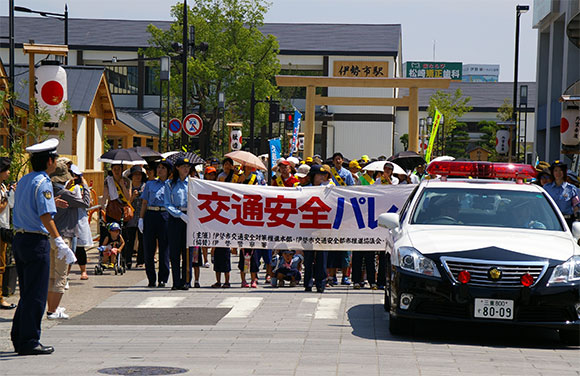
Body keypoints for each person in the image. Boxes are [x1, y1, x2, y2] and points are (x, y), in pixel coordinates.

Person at [11, 138, 75, 356]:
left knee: (27, 292)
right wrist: (58, 240)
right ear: (49, 161)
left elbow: (28, 206)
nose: (55, 161)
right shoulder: (45, 181)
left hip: (20, 239)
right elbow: (45, 216)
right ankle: (30, 340)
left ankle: (19, 337)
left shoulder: (25, 179)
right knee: (37, 293)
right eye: (55, 158)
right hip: (36, 241)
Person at [47, 159, 89, 320]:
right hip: (64, 237)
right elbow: (86, 202)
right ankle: (53, 310)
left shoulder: (49, 191)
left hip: (52, 235)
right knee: (61, 276)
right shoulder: (64, 193)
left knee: (51, 276)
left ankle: (52, 308)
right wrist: (84, 183)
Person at [139, 158, 172, 288]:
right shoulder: (150, 184)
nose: (160, 170)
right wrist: (141, 219)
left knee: (164, 248)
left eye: (163, 168)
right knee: (149, 248)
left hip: (165, 215)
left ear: (168, 171)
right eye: (159, 167)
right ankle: (151, 278)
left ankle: (163, 278)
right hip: (151, 215)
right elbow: (144, 202)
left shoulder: (171, 185)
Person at [165, 157, 194, 290]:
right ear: (177, 168)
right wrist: (179, 214)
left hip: (189, 218)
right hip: (175, 218)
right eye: (183, 166)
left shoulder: (193, 183)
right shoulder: (169, 184)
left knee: (187, 250)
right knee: (175, 252)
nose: (186, 169)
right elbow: (167, 204)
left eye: (188, 167)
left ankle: (187, 280)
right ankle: (176, 281)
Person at [302, 165, 329, 293]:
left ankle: (321, 283)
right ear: (313, 176)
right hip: (308, 227)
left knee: (322, 258)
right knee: (308, 258)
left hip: (322, 227)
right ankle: (307, 282)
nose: (322, 177)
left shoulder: (328, 189)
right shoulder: (304, 189)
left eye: (324, 175)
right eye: (319, 175)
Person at [328, 153, 352, 286]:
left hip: (345, 211)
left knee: (346, 246)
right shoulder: (329, 173)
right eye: (336, 159)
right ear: (333, 161)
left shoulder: (347, 174)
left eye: (340, 159)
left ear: (342, 160)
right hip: (331, 210)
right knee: (332, 246)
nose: (338, 161)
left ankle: (345, 276)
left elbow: (352, 189)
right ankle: (332, 276)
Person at [66, 164, 92, 281]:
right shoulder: (66, 188)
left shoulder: (81, 188)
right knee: (68, 248)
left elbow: (88, 202)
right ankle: (65, 273)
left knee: (79, 248)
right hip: (69, 220)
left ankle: (83, 271)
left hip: (80, 219)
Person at [543, 160, 580, 230]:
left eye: (560, 170)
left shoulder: (571, 189)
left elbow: (576, 207)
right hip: (550, 221)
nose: (558, 173)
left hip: (567, 222)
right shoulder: (546, 188)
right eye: (555, 170)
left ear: (564, 172)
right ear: (552, 172)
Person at [101, 164, 131, 245]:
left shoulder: (126, 180)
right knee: (110, 231)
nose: (117, 171)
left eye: (119, 169)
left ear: (122, 169)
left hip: (123, 211)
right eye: (115, 169)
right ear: (112, 169)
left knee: (123, 233)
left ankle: (122, 253)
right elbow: (105, 195)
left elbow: (128, 197)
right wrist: (102, 207)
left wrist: (122, 185)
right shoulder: (108, 180)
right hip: (112, 209)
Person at [123, 166, 147, 269]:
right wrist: (132, 196)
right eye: (135, 175)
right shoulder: (129, 187)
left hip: (142, 215)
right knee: (129, 239)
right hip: (131, 216)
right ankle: (127, 260)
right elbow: (126, 202)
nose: (137, 177)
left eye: (139, 174)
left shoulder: (145, 186)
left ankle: (140, 261)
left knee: (142, 240)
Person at [0, 157, 16, 310]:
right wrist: (5, 199)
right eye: (6, 170)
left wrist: (10, 193)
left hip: (4, 226)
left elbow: (10, 205)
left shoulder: (3, 186)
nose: (8, 172)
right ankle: (0, 298)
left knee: (2, 263)